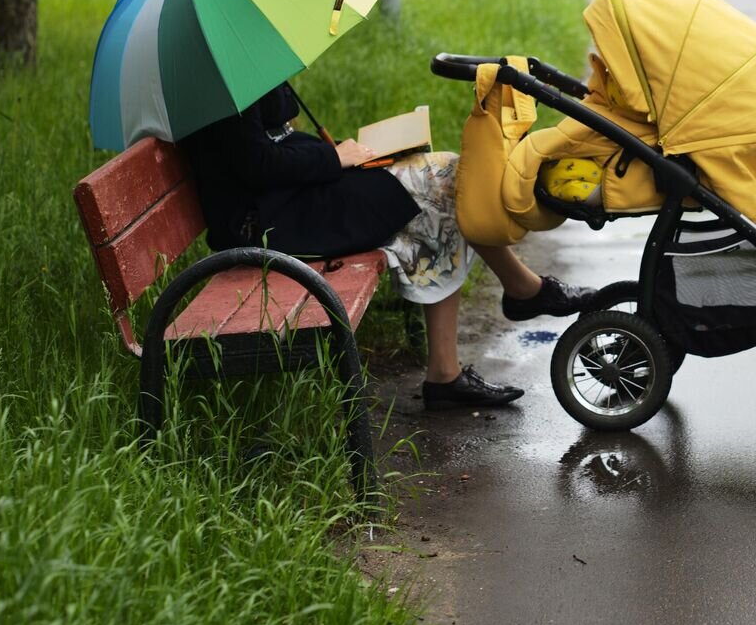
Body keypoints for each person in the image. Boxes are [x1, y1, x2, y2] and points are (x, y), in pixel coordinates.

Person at [179, 83, 596, 410]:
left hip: (288, 201)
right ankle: (520, 295)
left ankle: (455, 365)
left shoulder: (240, 62)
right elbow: (257, 165)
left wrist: (343, 153)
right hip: (271, 223)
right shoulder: (217, 81)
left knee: (440, 186)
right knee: (443, 185)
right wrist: (334, 159)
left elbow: (272, 142)